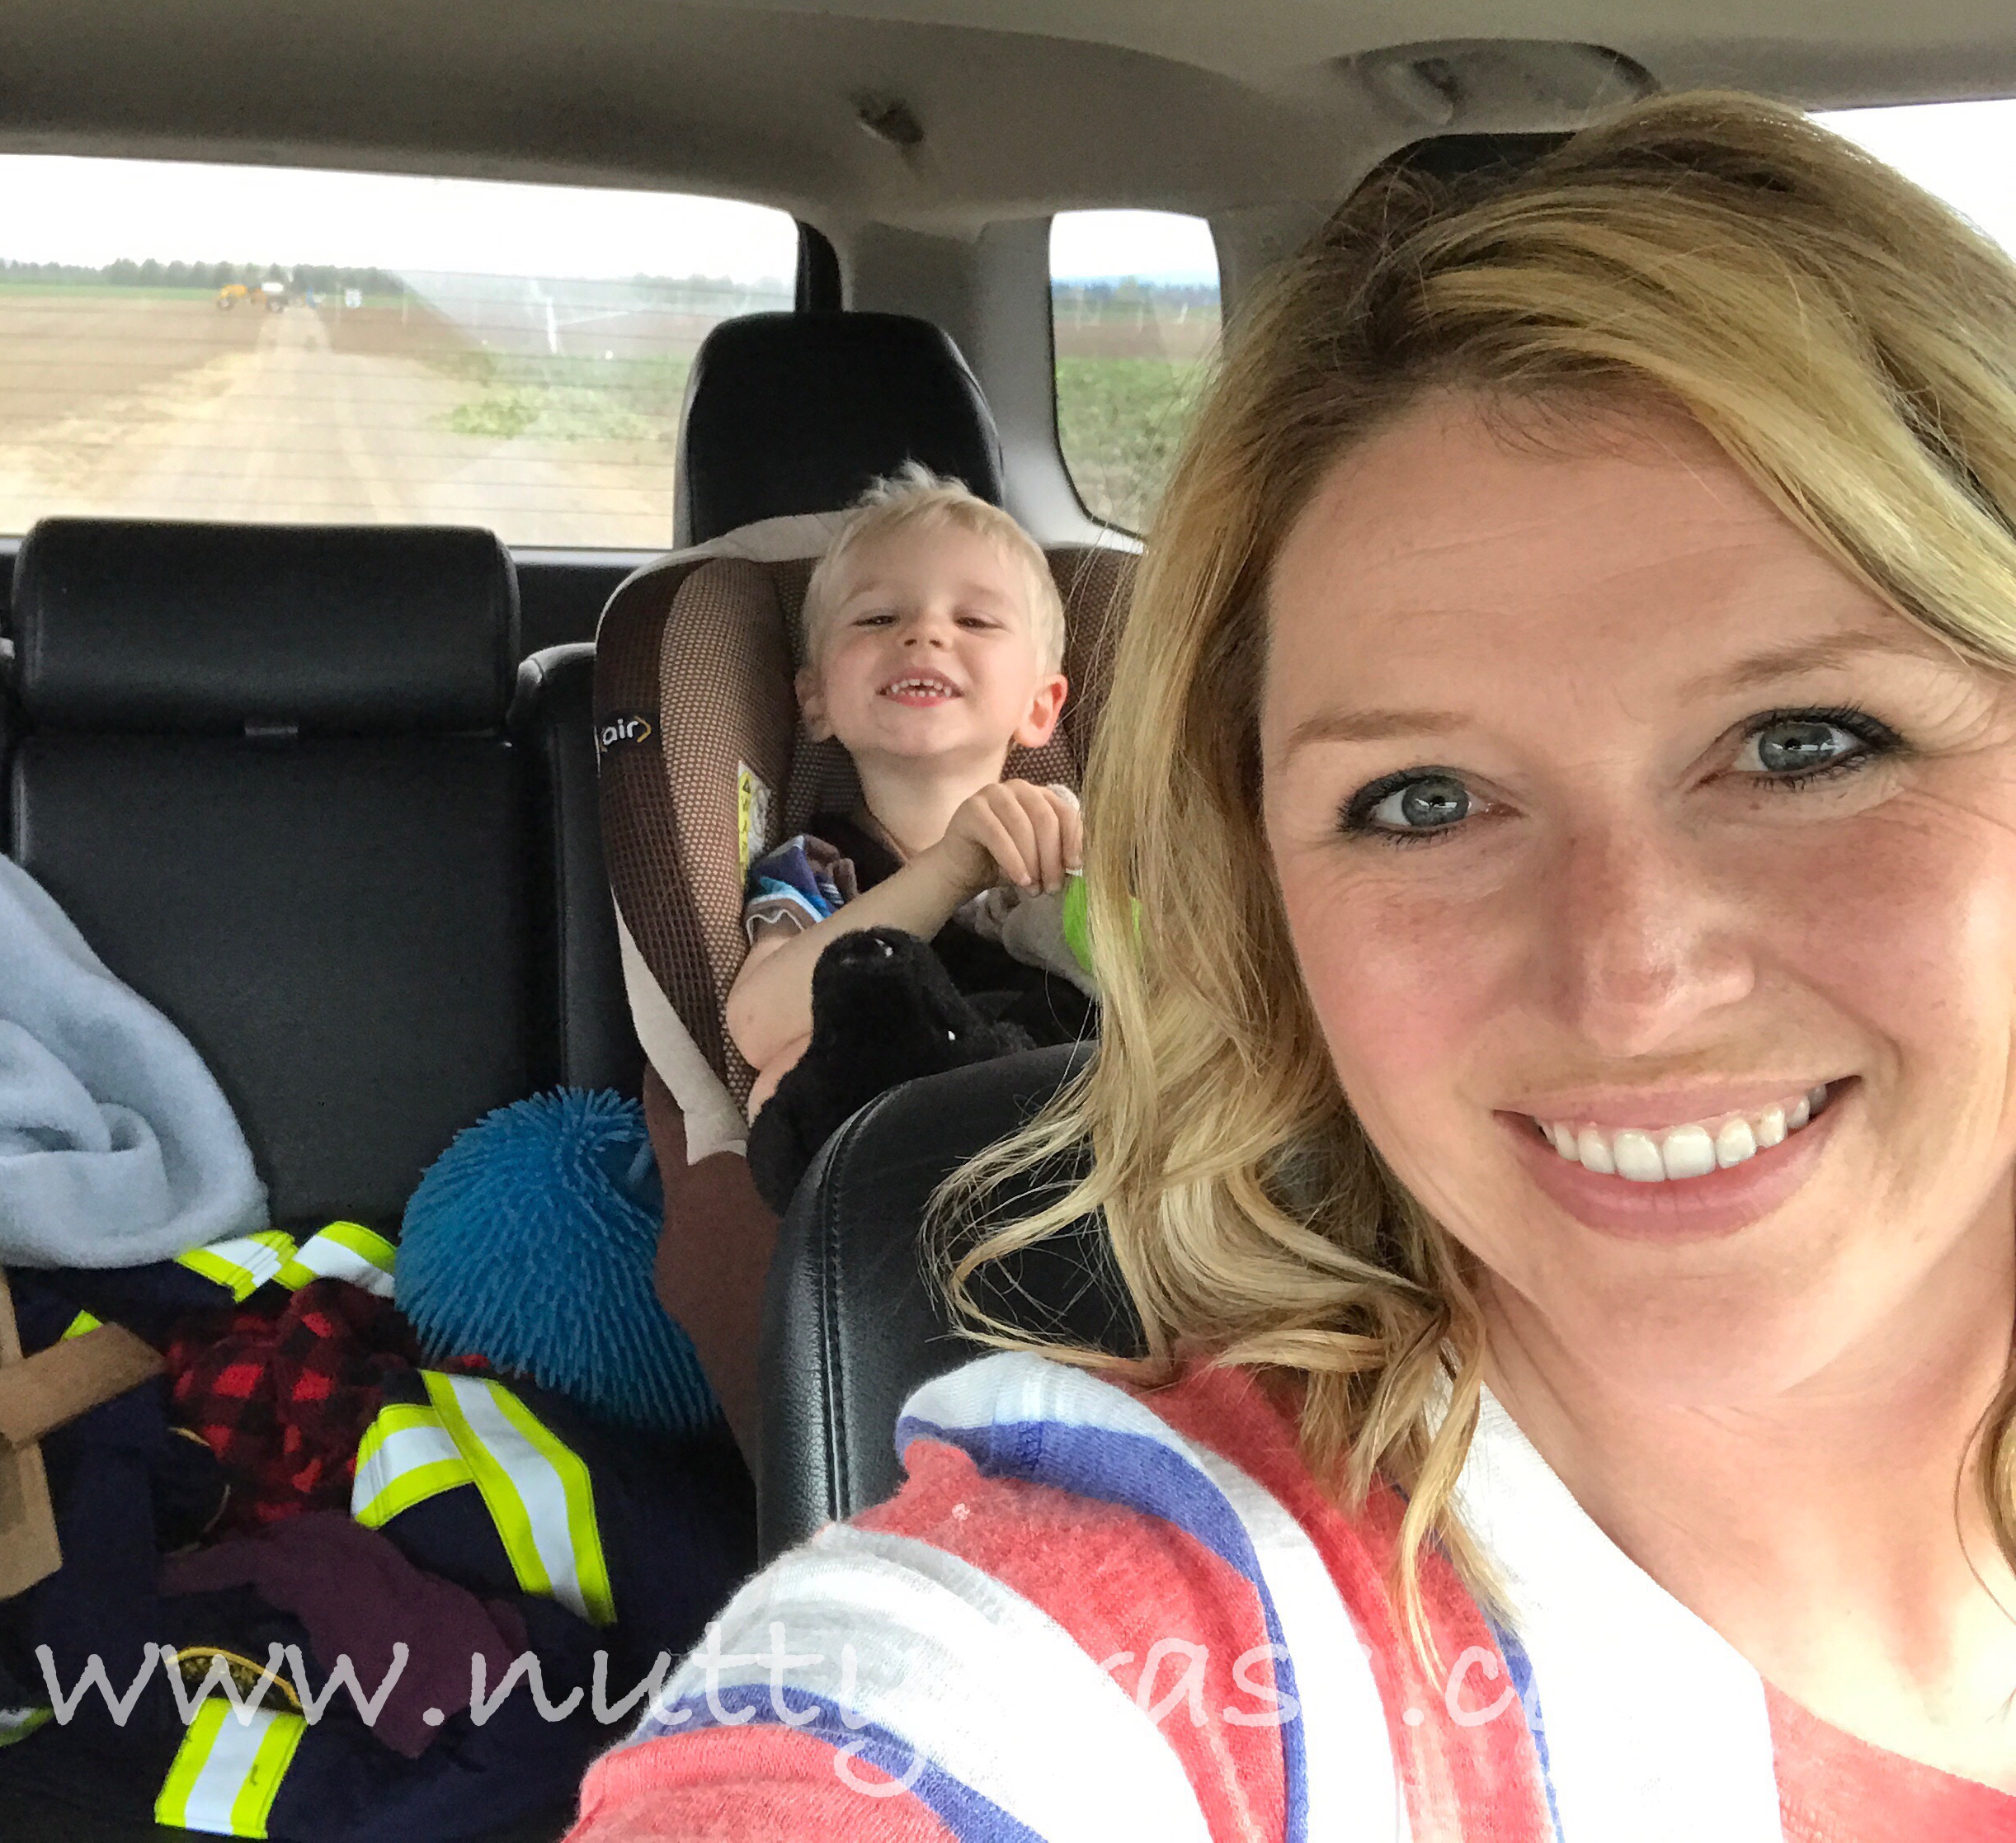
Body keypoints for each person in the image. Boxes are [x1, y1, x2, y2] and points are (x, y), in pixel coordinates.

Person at [569, 91, 2016, 1837]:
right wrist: (948, 873)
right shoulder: (1084, 1659)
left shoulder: (1087, 853)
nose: (1628, 983)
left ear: (1047, 697)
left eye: (1805, 743)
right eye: (1420, 799)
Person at [723, 466, 1088, 1120]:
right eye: (878, 617)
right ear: (815, 698)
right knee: (783, 1081)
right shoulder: (814, 870)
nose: (925, 634)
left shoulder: (1074, 840)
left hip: (1080, 1117)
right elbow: (756, 1026)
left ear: (1040, 706)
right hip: (910, 1145)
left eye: (975, 620)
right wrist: (949, 870)